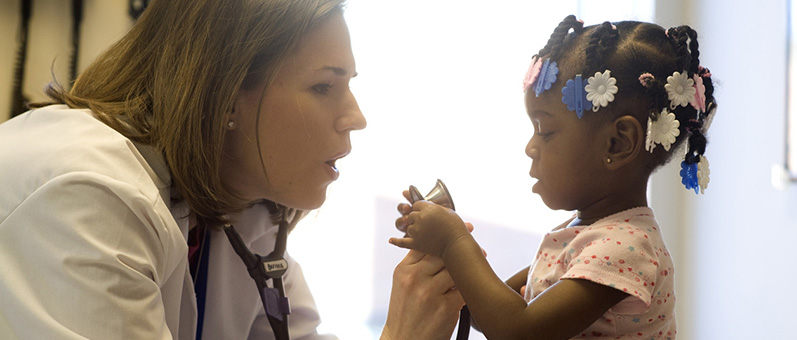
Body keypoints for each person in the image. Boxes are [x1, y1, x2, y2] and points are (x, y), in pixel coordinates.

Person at [0, 0, 465, 339]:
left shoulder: (244, 210)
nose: (355, 117)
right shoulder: (86, 195)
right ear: (224, 94)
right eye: (324, 86)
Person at [390, 15, 717, 340]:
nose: (531, 147)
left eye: (544, 130)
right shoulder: (582, 238)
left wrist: (453, 241)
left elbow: (517, 330)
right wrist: (444, 247)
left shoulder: (628, 248)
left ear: (617, 143)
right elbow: (486, 311)